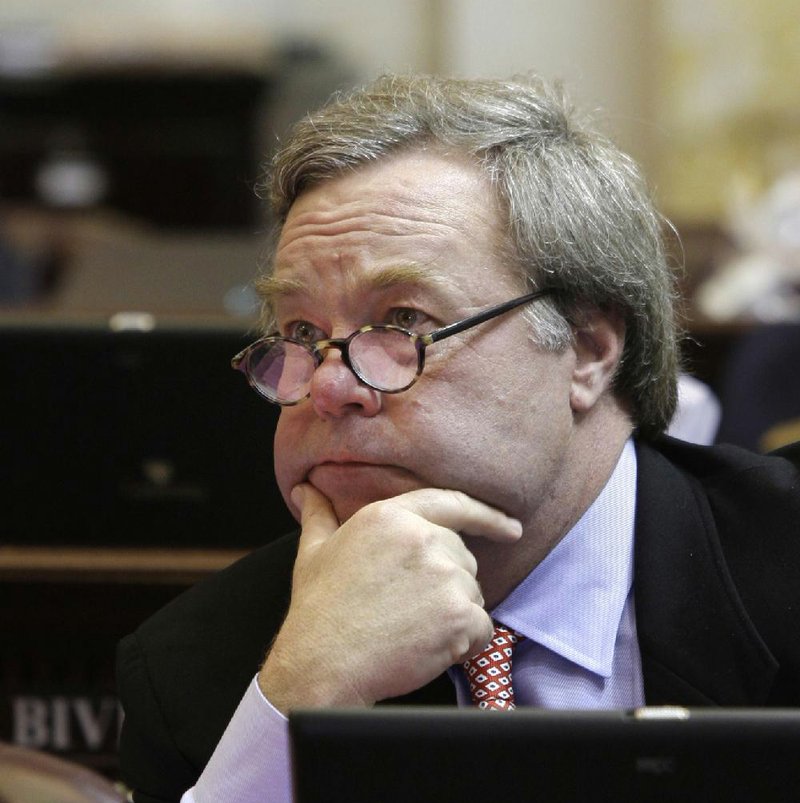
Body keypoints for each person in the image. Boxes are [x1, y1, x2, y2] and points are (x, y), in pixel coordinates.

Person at [116, 73, 800, 803]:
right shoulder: (198, 671)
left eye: (404, 322)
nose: (327, 384)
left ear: (589, 349)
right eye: (302, 333)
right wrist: (301, 693)